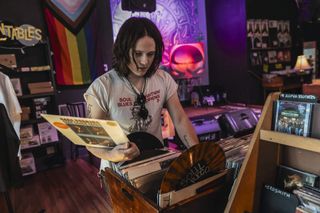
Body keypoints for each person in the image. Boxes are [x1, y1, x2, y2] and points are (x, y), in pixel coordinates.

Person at [83, 17, 199, 171]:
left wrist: (198, 154)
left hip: (156, 162)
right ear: (123, 50)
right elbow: (92, 140)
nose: (144, 61)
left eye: (150, 54)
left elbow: (179, 119)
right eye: (138, 54)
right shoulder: (102, 86)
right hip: (118, 170)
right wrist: (113, 154)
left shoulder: (163, 79)